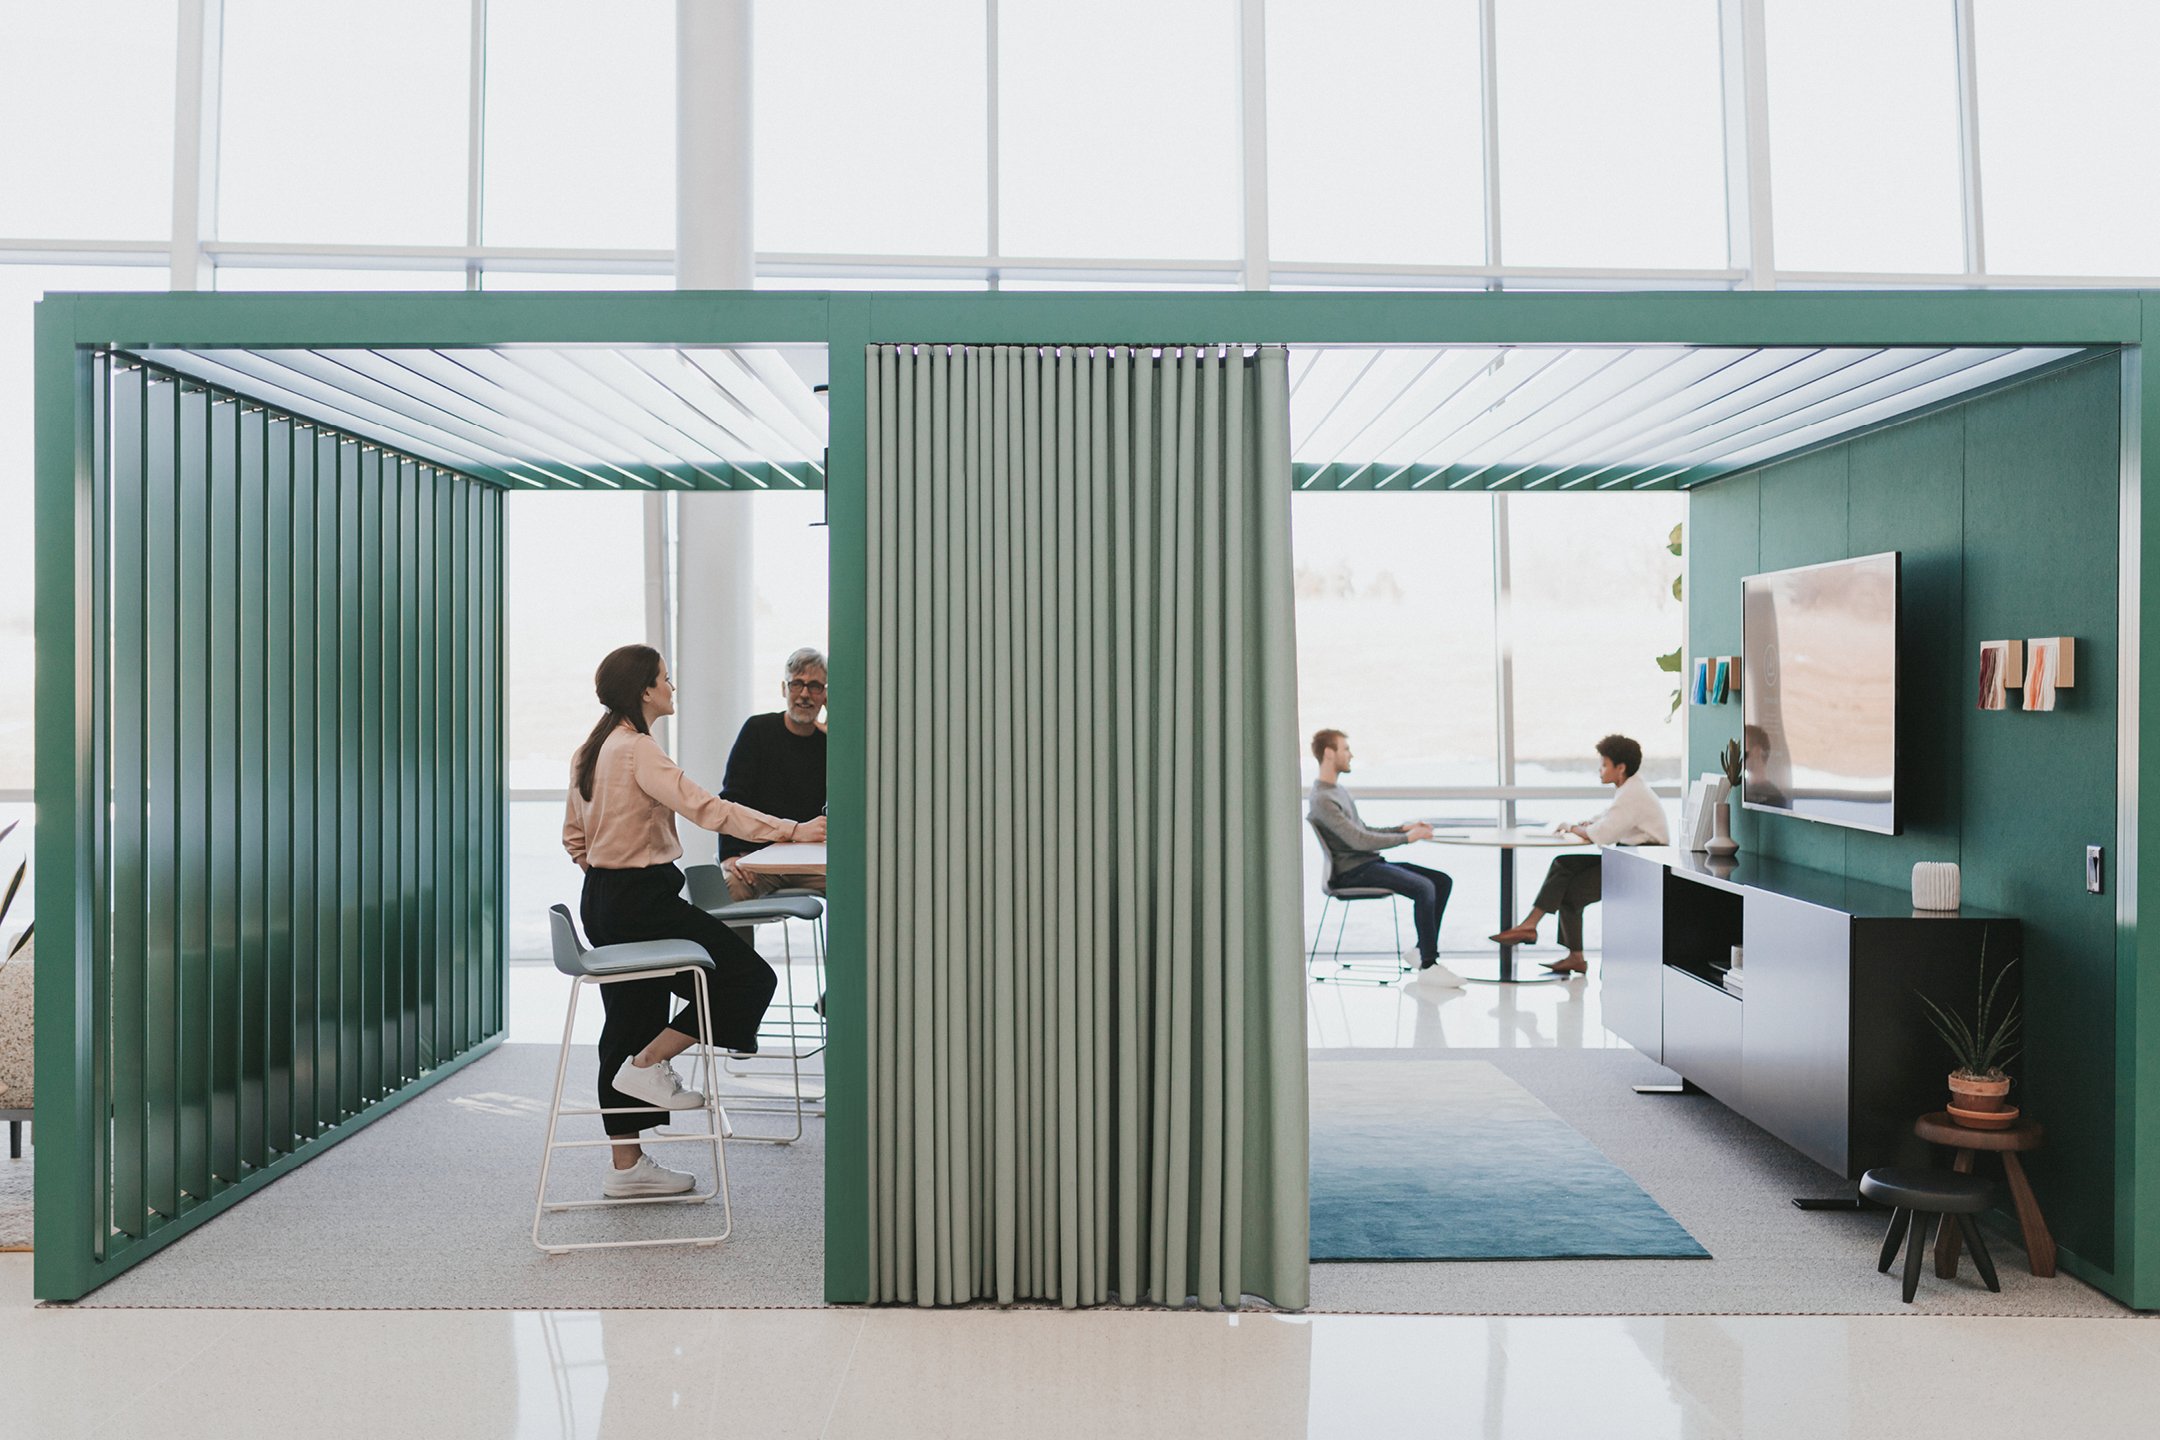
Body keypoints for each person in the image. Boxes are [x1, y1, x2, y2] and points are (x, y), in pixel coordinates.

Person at [563, 644, 827, 1199]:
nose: (672, 686)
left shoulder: (593, 748)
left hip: (605, 899)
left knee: (628, 1021)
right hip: (644, 903)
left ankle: (627, 1166)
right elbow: (709, 808)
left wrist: (609, 870)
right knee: (748, 979)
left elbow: (574, 838)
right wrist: (794, 830)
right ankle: (652, 1063)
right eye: (665, 678)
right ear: (644, 691)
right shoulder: (637, 750)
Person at [1491, 733, 1668, 975]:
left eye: (1604, 765)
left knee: (1568, 886)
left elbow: (1602, 833)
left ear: (1621, 767)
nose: (1600, 770)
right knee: (1565, 868)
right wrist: (1585, 825)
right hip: (1630, 858)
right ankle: (1546, 937)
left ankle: (1536, 930)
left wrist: (1574, 827)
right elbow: (1606, 819)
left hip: (1642, 866)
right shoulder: (1630, 789)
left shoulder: (1632, 793)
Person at [1307, 729, 1464, 989]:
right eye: (1345, 749)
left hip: (1368, 864)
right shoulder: (1323, 799)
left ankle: (1420, 950)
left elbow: (1363, 830)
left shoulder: (1337, 791)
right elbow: (1358, 841)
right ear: (1328, 753)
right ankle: (1429, 965)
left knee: (1441, 881)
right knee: (1423, 887)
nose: (1351, 754)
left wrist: (1400, 829)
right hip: (1351, 872)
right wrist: (1407, 839)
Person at [718, 646, 829, 902]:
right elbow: (732, 797)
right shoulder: (758, 731)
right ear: (783, 689)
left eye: (814, 686)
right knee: (732, 885)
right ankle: (736, 946)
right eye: (796, 684)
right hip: (761, 859)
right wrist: (730, 854)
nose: (804, 694)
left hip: (814, 862)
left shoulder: (830, 743)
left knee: (860, 887)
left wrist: (838, 731)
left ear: (825, 695)